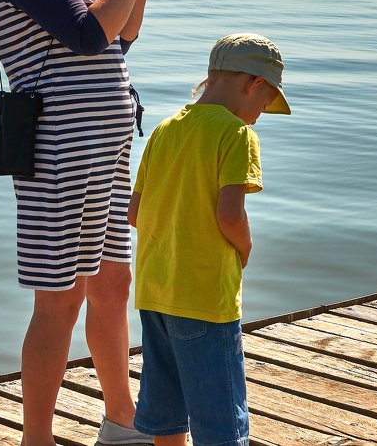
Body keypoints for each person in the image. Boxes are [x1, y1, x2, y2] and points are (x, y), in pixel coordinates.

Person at [0, 0, 174, 446]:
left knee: (113, 285)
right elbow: (87, 36)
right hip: (59, 154)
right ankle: (36, 438)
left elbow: (122, 36)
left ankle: (123, 420)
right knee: (59, 301)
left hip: (104, 149)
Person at [128, 33, 291, 446]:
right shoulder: (235, 134)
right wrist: (245, 247)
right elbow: (230, 215)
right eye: (265, 103)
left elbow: (134, 212)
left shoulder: (165, 129)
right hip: (205, 298)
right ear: (254, 83)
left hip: (155, 293)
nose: (258, 116)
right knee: (220, 417)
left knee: (166, 412)